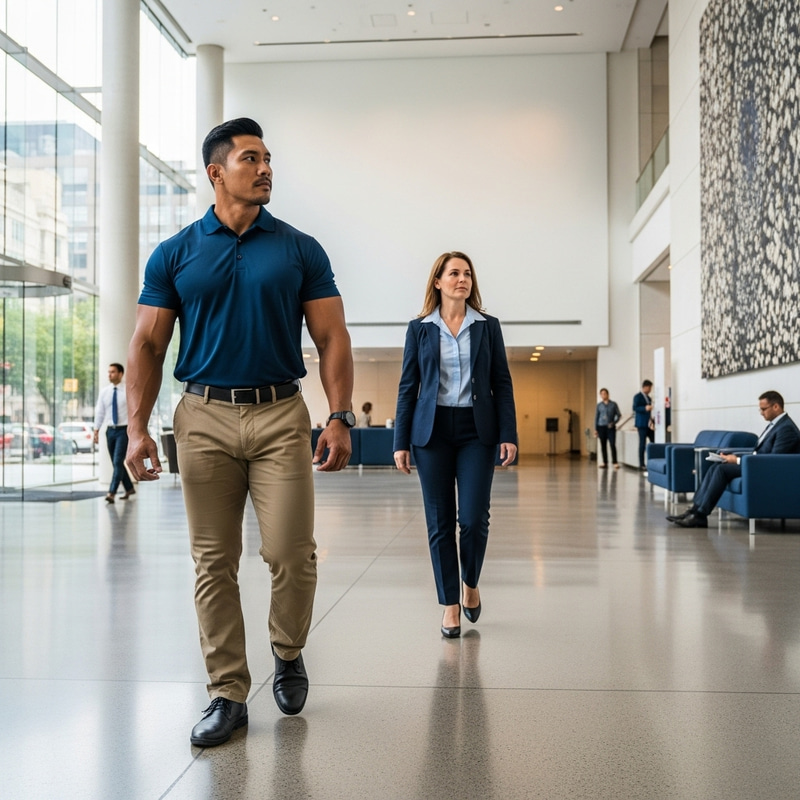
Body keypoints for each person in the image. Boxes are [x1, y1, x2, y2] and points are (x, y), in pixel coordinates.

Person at [125, 118, 354, 748]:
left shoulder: (300, 249)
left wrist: (338, 414)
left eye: (269, 158)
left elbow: (331, 336)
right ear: (216, 172)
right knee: (213, 562)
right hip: (201, 417)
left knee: (291, 553)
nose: (266, 168)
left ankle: (287, 651)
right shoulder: (175, 252)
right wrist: (136, 429)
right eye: (252, 158)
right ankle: (227, 693)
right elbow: (147, 342)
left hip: (282, 413)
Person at [393, 251, 518, 639]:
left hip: (476, 431)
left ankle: (471, 583)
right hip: (431, 433)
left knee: (474, 520)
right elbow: (408, 387)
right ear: (438, 281)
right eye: (453, 273)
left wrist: (508, 434)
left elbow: (502, 382)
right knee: (440, 523)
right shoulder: (419, 329)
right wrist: (401, 441)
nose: (461, 279)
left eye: (466, 274)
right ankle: (450, 604)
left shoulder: (487, 326)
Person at [668, 391, 800, 528]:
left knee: (722, 470)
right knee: (715, 467)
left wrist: (737, 461)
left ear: (776, 407)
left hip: (768, 471)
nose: (761, 413)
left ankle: (701, 515)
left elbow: (774, 461)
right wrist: (735, 458)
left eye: (763, 409)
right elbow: (759, 453)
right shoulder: (776, 425)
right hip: (758, 465)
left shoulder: (786, 429)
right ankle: (695, 510)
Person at [93, 362, 135, 503]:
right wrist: (96, 430)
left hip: (124, 430)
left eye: (113, 372)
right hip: (110, 431)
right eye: (109, 372)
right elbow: (100, 412)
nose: (109, 374)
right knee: (117, 463)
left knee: (118, 461)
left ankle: (111, 492)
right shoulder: (105, 392)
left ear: (120, 374)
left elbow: (134, 412)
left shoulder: (128, 391)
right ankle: (129, 488)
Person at [594, 388, 621, 469]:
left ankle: (615, 462)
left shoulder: (613, 404)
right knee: (603, 445)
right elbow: (596, 417)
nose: (603, 395)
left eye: (605, 393)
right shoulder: (599, 405)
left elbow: (619, 415)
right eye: (602, 394)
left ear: (608, 394)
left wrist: (614, 422)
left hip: (610, 427)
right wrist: (595, 429)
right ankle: (604, 462)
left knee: (612, 444)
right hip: (601, 426)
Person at [633, 379, 654, 471]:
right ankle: (641, 464)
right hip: (641, 423)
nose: (650, 390)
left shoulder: (649, 398)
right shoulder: (638, 397)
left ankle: (652, 460)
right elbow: (635, 408)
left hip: (649, 423)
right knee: (642, 443)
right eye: (649, 388)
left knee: (653, 441)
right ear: (645, 387)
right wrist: (645, 408)